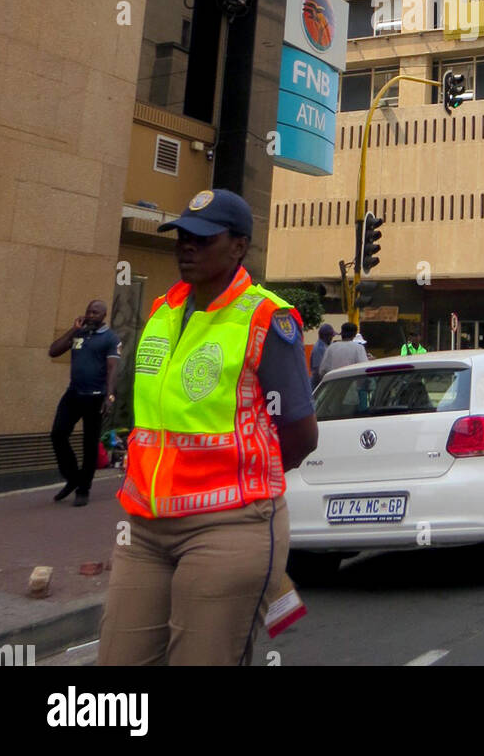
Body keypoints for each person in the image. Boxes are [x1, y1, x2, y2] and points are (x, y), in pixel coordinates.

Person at [98, 189, 318, 667]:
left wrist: (246, 479)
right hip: (144, 527)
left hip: (229, 527)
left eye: (202, 238)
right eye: (182, 236)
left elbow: (301, 435)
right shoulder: (163, 311)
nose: (187, 246)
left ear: (238, 247)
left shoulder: (267, 318)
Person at [49, 300, 121, 506]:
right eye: (89, 311)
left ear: (104, 315)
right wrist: (74, 330)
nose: (90, 315)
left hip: (95, 397)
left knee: (90, 444)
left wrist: (109, 396)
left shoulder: (110, 338)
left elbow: (112, 368)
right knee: (58, 434)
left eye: (95, 312)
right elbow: (53, 351)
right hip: (74, 393)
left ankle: (83, 489)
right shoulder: (79, 333)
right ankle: (73, 477)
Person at [310, 322, 336, 388]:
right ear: (326, 336)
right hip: (318, 385)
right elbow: (317, 370)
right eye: (331, 336)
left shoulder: (325, 346)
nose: (332, 338)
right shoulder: (319, 348)